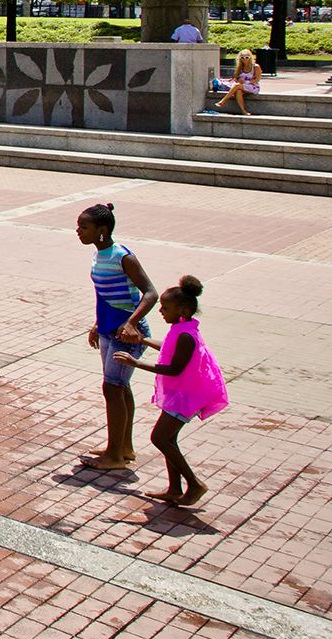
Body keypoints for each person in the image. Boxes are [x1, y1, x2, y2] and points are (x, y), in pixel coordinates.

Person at [114, 277, 229, 507]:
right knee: (169, 439)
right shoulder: (181, 329)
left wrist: (135, 363)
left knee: (159, 437)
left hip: (186, 397)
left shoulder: (186, 336)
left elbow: (174, 368)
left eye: (166, 308)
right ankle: (175, 488)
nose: (161, 311)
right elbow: (167, 347)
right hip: (180, 394)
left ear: (183, 310)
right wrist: (143, 339)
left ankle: (194, 483)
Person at [77, 201, 159, 471]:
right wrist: (97, 324)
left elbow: (150, 293)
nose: (78, 231)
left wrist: (132, 323)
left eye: (84, 227)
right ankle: (122, 447)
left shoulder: (122, 256)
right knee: (118, 388)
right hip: (109, 330)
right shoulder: (99, 254)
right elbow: (106, 294)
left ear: (102, 229)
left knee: (113, 388)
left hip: (128, 334)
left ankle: (114, 456)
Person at [213, 49, 260, 114]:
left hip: (253, 86)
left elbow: (257, 79)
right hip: (241, 86)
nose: (245, 59)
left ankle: (223, 101)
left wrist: (246, 82)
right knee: (238, 91)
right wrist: (239, 80)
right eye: (242, 58)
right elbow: (235, 78)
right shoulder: (240, 67)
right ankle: (244, 111)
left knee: (237, 86)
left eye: (247, 57)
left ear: (250, 57)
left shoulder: (255, 67)